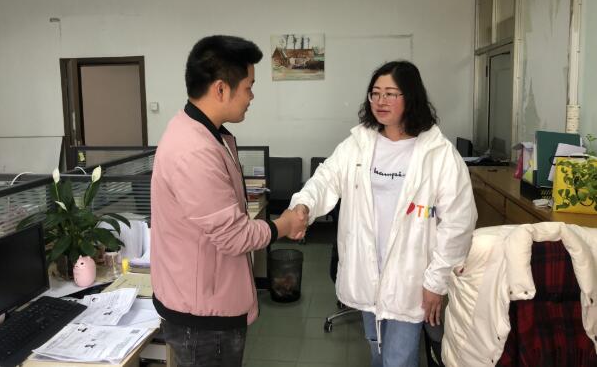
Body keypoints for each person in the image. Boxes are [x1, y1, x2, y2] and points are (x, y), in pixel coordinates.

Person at [290, 60, 477, 367]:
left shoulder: (439, 154)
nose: (380, 101)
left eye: (391, 93)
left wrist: (437, 281)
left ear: (410, 97)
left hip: (411, 277)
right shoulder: (359, 144)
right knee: (377, 354)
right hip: (368, 272)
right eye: (375, 93)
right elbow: (325, 178)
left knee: (397, 360)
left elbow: (458, 223)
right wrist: (304, 205)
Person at [150, 35, 307, 367]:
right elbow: (234, 236)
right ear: (221, 89)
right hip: (203, 319)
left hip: (203, 300)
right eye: (248, 87)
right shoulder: (194, 151)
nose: (251, 96)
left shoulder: (203, 133)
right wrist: (283, 224)